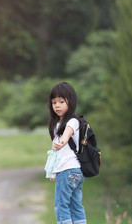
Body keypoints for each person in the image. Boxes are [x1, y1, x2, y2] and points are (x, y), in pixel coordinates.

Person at [45, 81, 87, 224]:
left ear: (71, 102)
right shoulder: (58, 124)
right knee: (75, 205)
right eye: (54, 102)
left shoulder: (72, 121)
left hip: (67, 172)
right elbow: (56, 154)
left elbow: (67, 134)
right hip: (75, 171)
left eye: (61, 101)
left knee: (61, 205)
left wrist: (61, 143)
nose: (57, 105)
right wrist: (52, 171)